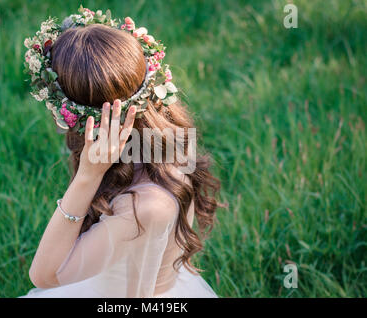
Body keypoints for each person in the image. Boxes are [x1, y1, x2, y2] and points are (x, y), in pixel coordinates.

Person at [20, 8, 221, 298]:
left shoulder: (144, 205)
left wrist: (87, 178)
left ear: (81, 117)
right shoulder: (169, 135)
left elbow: (44, 274)